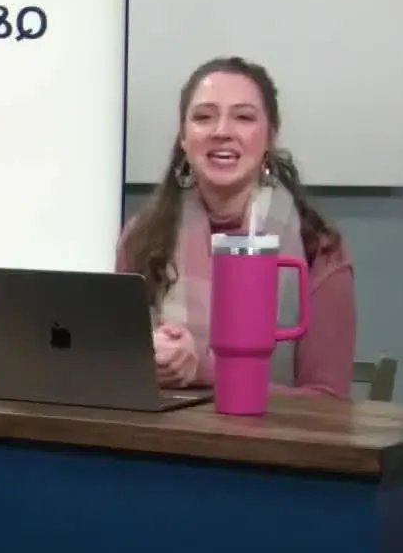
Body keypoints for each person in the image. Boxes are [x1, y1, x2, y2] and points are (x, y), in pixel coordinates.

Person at [117, 56, 355, 398]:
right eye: (203, 117)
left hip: (275, 446)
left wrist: (201, 369)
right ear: (184, 137)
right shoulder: (142, 237)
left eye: (243, 117)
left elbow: (327, 401)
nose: (222, 132)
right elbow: (116, 370)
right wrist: (152, 359)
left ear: (270, 137)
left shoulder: (319, 247)